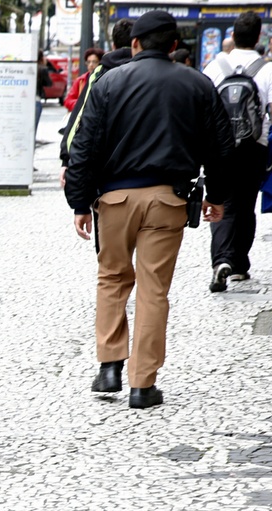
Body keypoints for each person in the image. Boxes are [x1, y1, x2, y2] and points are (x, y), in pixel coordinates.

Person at [64, 10, 234, 409]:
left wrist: (79, 201)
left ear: (134, 44)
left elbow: (83, 147)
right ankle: (143, 385)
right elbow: (221, 147)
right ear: (175, 46)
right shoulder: (197, 83)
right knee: (154, 290)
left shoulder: (108, 83)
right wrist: (217, 197)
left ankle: (109, 366)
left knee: (111, 279)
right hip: (168, 200)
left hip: (115, 199)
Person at [203, 11, 272, 292]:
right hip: (255, 147)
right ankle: (240, 264)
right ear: (258, 37)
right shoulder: (267, 69)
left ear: (232, 34)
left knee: (221, 200)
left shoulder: (214, 66)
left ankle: (221, 259)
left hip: (218, 146)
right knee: (245, 204)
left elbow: (202, 108)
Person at [59, 18, 134, 188]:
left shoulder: (100, 73)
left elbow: (80, 116)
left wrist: (66, 159)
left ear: (113, 45)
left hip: (105, 168)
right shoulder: (148, 71)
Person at [64, 48, 104, 112]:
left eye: (94, 62)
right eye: (88, 62)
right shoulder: (80, 80)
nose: (91, 65)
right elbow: (68, 101)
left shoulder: (105, 79)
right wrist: (81, 105)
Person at [35, 49, 53, 146]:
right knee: (33, 127)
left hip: (26, 100)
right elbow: (49, 83)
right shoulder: (42, 68)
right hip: (36, 99)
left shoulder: (30, 66)